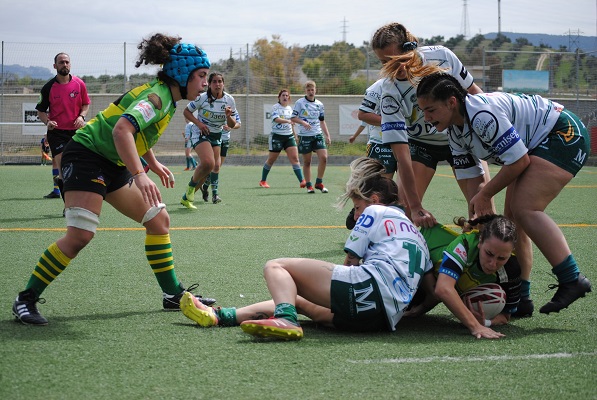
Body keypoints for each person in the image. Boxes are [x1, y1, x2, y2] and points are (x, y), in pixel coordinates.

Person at [12, 34, 216, 326]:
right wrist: (140, 174)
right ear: (183, 74)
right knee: (80, 234)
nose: (205, 82)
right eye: (201, 76)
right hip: (86, 156)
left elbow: (136, 133)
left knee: (158, 220)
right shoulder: (157, 98)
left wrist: (153, 163)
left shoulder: (167, 97)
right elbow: (122, 131)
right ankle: (25, 298)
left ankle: (172, 294)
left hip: (111, 160)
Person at [179, 157, 432, 340]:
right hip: (379, 320)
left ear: (374, 200)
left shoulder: (376, 210)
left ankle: (286, 321)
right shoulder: (419, 239)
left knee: (276, 266)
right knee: (291, 298)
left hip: (364, 290)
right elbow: (432, 291)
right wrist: (416, 310)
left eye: (356, 208)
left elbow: (351, 260)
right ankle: (220, 315)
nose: (355, 216)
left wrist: (351, 266)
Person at [415, 71, 592, 315]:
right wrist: (477, 220)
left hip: (562, 133)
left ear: (451, 102)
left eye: (430, 110)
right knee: (512, 222)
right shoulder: (454, 132)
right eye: (423, 110)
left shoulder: (481, 114)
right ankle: (521, 299)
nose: (426, 117)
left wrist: (485, 195)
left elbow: (519, 160)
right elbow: (472, 181)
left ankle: (572, 278)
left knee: (524, 208)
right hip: (538, 144)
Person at [370, 23, 493, 230]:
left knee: (483, 211)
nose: (392, 68)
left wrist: (490, 129)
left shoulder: (442, 56)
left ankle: (488, 259)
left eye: (396, 60)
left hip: (461, 137)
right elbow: (402, 156)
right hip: (421, 144)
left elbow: (474, 92)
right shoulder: (389, 91)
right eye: (384, 62)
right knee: (403, 211)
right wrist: (417, 207)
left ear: (410, 50)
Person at [408, 215, 521, 339]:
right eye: (489, 254)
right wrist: (475, 326)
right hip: (412, 276)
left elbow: (505, 316)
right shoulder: (465, 244)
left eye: (501, 258)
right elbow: (443, 289)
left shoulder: (511, 269)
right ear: (480, 241)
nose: (493, 264)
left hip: (431, 293)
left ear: (511, 252)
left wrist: (484, 322)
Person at [180, 72, 240, 208]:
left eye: (220, 81)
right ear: (210, 84)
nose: (217, 84)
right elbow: (186, 112)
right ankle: (192, 191)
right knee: (208, 162)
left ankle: (186, 197)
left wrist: (228, 116)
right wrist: (199, 124)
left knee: (212, 167)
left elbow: (232, 125)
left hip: (217, 135)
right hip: (200, 132)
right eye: (214, 82)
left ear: (223, 84)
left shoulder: (229, 100)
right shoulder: (202, 98)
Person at [36, 53, 90, 201]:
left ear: (70, 65)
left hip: (77, 132)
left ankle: (78, 199)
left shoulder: (80, 84)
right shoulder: (48, 87)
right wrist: (48, 122)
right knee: (64, 168)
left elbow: (85, 104)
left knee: (78, 168)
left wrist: (81, 116)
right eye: (61, 62)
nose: (64, 64)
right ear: (55, 66)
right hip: (57, 133)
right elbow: (40, 111)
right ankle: (68, 205)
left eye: (67, 62)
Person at [259, 89, 306, 188]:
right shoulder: (275, 107)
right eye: (283, 95)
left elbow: (292, 124)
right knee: (271, 160)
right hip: (277, 136)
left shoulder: (290, 109)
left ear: (289, 98)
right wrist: (288, 121)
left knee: (295, 158)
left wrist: (295, 134)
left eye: (287, 96)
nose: (285, 97)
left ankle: (302, 181)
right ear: (279, 97)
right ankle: (263, 181)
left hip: (289, 137)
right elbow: (276, 119)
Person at [291, 80, 331, 194]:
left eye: (312, 90)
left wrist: (327, 135)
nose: (310, 92)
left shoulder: (319, 104)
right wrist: (303, 122)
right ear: (305, 91)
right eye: (308, 90)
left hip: (318, 134)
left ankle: (319, 182)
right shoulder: (300, 103)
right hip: (305, 136)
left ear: (315, 90)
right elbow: (293, 118)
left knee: (324, 158)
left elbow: (322, 121)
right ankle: (309, 185)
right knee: (307, 161)